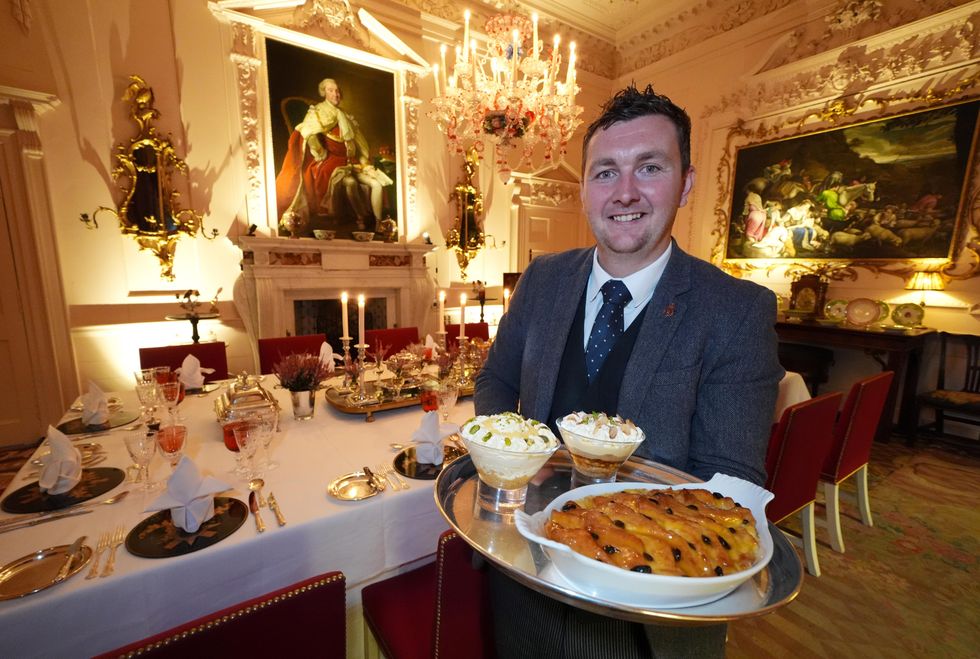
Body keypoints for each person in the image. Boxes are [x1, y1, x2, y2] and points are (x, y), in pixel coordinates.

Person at [474, 84, 783, 658]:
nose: (626, 192)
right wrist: (512, 462)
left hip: (652, 600)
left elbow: (730, 481)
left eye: (650, 167)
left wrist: (612, 528)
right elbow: (496, 381)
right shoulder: (541, 278)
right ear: (585, 190)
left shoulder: (736, 311)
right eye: (605, 172)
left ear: (686, 182)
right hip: (524, 567)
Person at [275, 78, 389, 230]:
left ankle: (378, 224)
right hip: (332, 162)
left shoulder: (345, 115)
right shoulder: (317, 112)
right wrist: (320, 153)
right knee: (351, 183)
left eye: (337, 91)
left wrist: (364, 162)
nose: (336, 94)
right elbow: (308, 133)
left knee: (377, 184)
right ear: (324, 93)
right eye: (331, 90)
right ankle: (358, 218)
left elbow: (358, 142)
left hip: (351, 161)